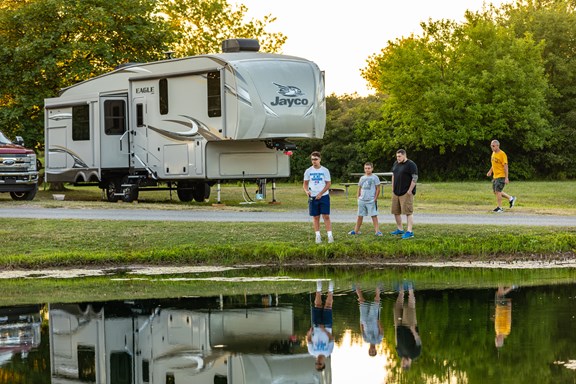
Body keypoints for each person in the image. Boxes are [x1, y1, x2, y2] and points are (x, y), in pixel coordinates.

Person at [303, 151, 333, 244]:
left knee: (326, 216)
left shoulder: (325, 170)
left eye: (315, 159)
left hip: (323, 196)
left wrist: (321, 193)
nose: (314, 161)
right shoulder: (308, 171)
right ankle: (318, 236)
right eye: (312, 159)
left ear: (319, 159)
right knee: (316, 217)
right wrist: (306, 191)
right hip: (313, 196)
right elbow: (305, 184)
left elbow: (328, 183)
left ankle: (330, 235)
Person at [389, 149, 418, 240]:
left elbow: (415, 177)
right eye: (397, 156)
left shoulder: (411, 164)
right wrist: (393, 187)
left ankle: (409, 232)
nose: (398, 158)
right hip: (396, 192)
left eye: (399, 156)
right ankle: (400, 229)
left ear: (404, 155)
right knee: (395, 211)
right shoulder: (396, 163)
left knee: (408, 212)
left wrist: (410, 190)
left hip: (406, 192)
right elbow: (393, 175)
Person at [307, 280, 335, 371]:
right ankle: (330, 289)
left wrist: (309, 332)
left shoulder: (312, 352)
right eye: (320, 364)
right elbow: (331, 338)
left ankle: (318, 288)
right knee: (328, 306)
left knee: (317, 305)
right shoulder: (328, 352)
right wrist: (324, 330)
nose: (318, 362)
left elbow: (308, 339)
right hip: (327, 326)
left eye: (316, 363)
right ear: (324, 363)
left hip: (316, 325)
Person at [348, 162, 382, 236]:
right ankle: (356, 230)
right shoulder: (362, 178)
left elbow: (378, 189)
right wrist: (358, 197)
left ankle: (377, 231)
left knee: (374, 215)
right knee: (360, 215)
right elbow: (359, 188)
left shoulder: (375, 177)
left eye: (369, 168)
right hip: (362, 200)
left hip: (371, 200)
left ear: (372, 169)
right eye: (366, 168)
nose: (367, 170)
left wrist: (375, 198)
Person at [393, 280, 421, 370]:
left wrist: (396, 328)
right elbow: (418, 342)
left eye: (402, 363)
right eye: (404, 364)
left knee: (397, 307)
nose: (402, 362)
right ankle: (410, 289)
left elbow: (397, 343)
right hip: (409, 327)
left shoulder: (400, 354)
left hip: (399, 328)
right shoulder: (414, 354)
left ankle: (401, 291)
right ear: (408, 364)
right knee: (410, 307)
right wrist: (413, 331)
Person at [487, 140, 517, 213]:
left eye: (493, 146)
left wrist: (506, 177)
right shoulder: (493, 153)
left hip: (501, 176)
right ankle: (511, 198)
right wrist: (490, 171)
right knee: (495, 192)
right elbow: (493, 164)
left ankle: (500, 208)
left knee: (498, 191)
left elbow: (505, 166)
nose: (492, 147)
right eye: (491, 145)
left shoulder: (502, 154)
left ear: (498, 146)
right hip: (495, 176)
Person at [354, 284, 383, 356]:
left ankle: (356, 285)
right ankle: (378, 285)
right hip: (374, 320)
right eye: (373, 352)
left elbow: (362, 331)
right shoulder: (378, 341)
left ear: (369, 350)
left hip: (364, 320)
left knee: (361, 301)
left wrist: (361, 322)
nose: (372, 350)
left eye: (370, 352)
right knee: (376, 301)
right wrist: (378, 322)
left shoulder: (366, 340)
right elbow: (381, 332)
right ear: (375, 350)